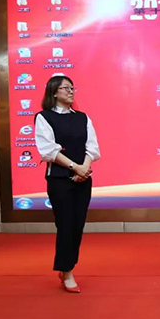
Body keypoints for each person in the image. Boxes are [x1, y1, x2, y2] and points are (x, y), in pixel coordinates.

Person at [34, 75, 101, 293]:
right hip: (59, 179)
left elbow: (92, 147)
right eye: (66, 88)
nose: (71, 92)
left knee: (78, 225)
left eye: (73, 88)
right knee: (65, 225)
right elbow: (48, 150)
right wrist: (75, 167)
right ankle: (67, 270)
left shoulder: (82, 118)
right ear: (54, 92)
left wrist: (84, 168)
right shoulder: (44, 117)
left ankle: (67, 266)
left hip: (83, 178)